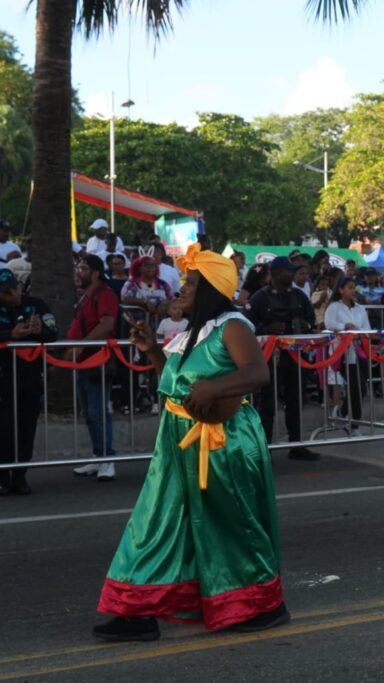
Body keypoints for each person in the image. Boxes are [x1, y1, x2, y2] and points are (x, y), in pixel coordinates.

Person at [92, 242, 288, 641]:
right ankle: (138, 608)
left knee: (229, 522)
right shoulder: (189, 333)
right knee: (156, 522)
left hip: (222, 440)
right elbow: (180, 385)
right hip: (177, 442)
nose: (182, 288)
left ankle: (262, 604)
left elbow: (257, 373)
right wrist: (152, 354)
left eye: (192, 283)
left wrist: (215, 387)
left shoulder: (232, 325)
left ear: (212, 289)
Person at [246, 256, 319, 461]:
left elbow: (311, 319)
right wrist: (266, 329)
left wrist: (303, 326)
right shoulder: (260, 298)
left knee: (295, 400)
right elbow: (247, 326)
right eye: (288, 271)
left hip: (295, 356)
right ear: (277, 273)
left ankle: (296, 444)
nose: (292, 274)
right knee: (267, 403)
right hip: (270, 358)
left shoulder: (298, 296)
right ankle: (264, 447)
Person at [0, 270, 58, 495]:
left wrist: (40, 329)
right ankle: (3, 476)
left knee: (27, 426)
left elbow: (53, 332)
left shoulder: (37, 304)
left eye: (13, 290)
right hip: (4, 376)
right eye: (5, 293)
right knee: (4, 427)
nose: (10, 295)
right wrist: (9, 334)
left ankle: (20, 475)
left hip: (31, 376)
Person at [68, 255, 120, 481]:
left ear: (96, 273)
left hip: (98, 361)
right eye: (78, 267)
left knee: (98, 411)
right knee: (89, 412)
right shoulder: (85, 298)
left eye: (84, 268)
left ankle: (107, 458)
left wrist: (81, 345)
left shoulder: (105, 295)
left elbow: (107, 324)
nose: (79, 272)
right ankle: (98, 454)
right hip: (84, 363)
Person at [324, 277, 371, 434]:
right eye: (349, 287)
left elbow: (367, 327)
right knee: (356, 386)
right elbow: (329, 323)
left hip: (360, 352)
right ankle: (355, 425)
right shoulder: (334, 307)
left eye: (354, 287)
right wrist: (345, 327)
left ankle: (342, 413)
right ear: (341, 290)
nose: (353, 291)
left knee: (360, 388)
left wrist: (360, 333)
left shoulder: (360, 308)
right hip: (343, 353)